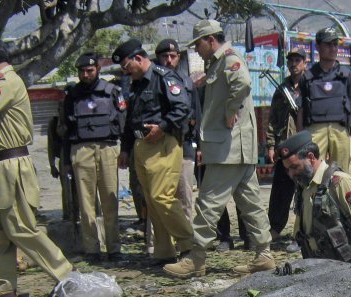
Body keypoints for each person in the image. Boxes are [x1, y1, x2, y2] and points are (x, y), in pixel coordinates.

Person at [164, 20, 274, 278]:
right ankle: (264, 254)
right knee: (250, 202)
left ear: (210, 39)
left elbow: (243, 83)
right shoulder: (218, 62)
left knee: (208, 203)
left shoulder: (228, 58)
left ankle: (196, 259)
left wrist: (229, 111)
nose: (196, 50)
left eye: (198, 44)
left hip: (229, 148)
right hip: (235, 147)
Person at [0, 36, 73, 297]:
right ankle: (5, 289)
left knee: (21, 228)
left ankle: (67, 277)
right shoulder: (6, 85)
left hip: (9, 166)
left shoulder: (5, 84)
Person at [112, 38, 196, 268]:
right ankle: (163, 251)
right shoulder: (133, 84)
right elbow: (130, 120)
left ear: (139, 58)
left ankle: (190, 247)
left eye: (127, 66)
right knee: (151, 200)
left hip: (163, 144)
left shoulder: (163, 77)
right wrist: (125, 149)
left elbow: (182, 107)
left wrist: (163, 127)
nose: (126, 71)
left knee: (162, 196)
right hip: (141, 146)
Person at [62, 52, 126, 262]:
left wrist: (125, 150)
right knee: (86, 203)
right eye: (82, 71)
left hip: (107, 147)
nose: (86, 74)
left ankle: (114, 248)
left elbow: (123, 123)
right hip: (80, 149)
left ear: (98, 70)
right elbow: (65, 129)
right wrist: (65, 161)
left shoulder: (112, 91)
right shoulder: (71, 95)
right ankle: (92, 249)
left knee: (110, 198)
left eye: (90, 70)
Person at [278, 131, 351, 260]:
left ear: (311, 157)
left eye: (294, 167)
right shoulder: (304, 189)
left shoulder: (339, 183)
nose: (291, 174)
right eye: (288, 169)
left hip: (349, 266)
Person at [298, 27, 351, 175]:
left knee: (341, 177)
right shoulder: (307, 77)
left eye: (335, 44)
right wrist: (301, 141)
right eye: (328, 44)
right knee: (313, 174)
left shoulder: (347, 76)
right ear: (318, 47)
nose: (333, 48)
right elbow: (301, 111)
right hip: (315, 131)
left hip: (340, 131)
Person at [266, 45, 306, 251]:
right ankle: (274, 228)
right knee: (280, 189)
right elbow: (273, 119)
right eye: (291, 61)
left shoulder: (310, 86)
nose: (293, 64)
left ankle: (302, 231)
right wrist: (271, 145)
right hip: (285, 147)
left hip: (305, 148)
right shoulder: (282, 90)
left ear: (304, 63)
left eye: (297, 60)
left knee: (304, 191)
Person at [155, 39, 198, 222]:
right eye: (165, 56)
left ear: (179, 58)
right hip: (157, 145)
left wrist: (199, 146)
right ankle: (156, 245)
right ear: (158, 58)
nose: (169, 60)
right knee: (158, 196)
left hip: (184, 144)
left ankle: (186, 242)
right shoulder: (152, 82)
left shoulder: (187, 83)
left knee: (185, 195)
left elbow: (197, 115)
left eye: (173, 56)